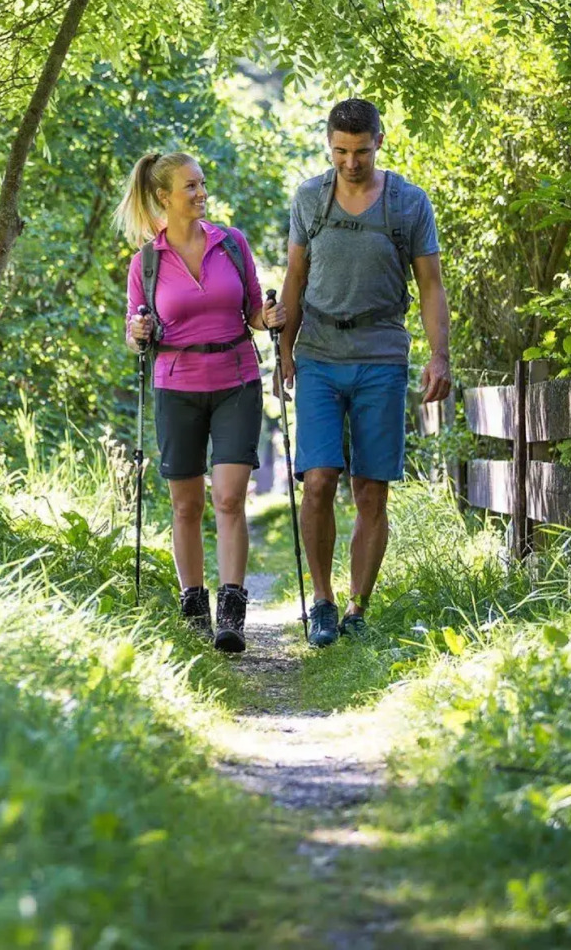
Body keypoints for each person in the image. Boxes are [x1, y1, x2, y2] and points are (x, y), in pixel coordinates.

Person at [277, 99, 452, 647]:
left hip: (382, 352)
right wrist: (284, 349)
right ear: (329, 145)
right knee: (320, 479)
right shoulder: (310, 198)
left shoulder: (408, 204)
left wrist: (439, 355)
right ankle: (323, 601)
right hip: (320, 354)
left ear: (380, 140)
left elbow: (430, 286)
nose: (350, 162)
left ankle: (358, 606)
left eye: (360, 150)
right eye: (340, 151)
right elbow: (295, 278)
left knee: (371, 487)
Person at [121, 152, 283, 653]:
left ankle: (231, 610)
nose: (200, 192)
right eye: (189, 186)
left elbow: (254, 311)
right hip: (176, 386)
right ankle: (193, 607)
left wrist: (269, 317)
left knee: (229, 497)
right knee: (185, 504)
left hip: (236, 378)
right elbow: (135, 330)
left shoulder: (231, 244)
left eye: (202, 183)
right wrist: (138, 331)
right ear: (163, 197)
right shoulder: (146, 262)